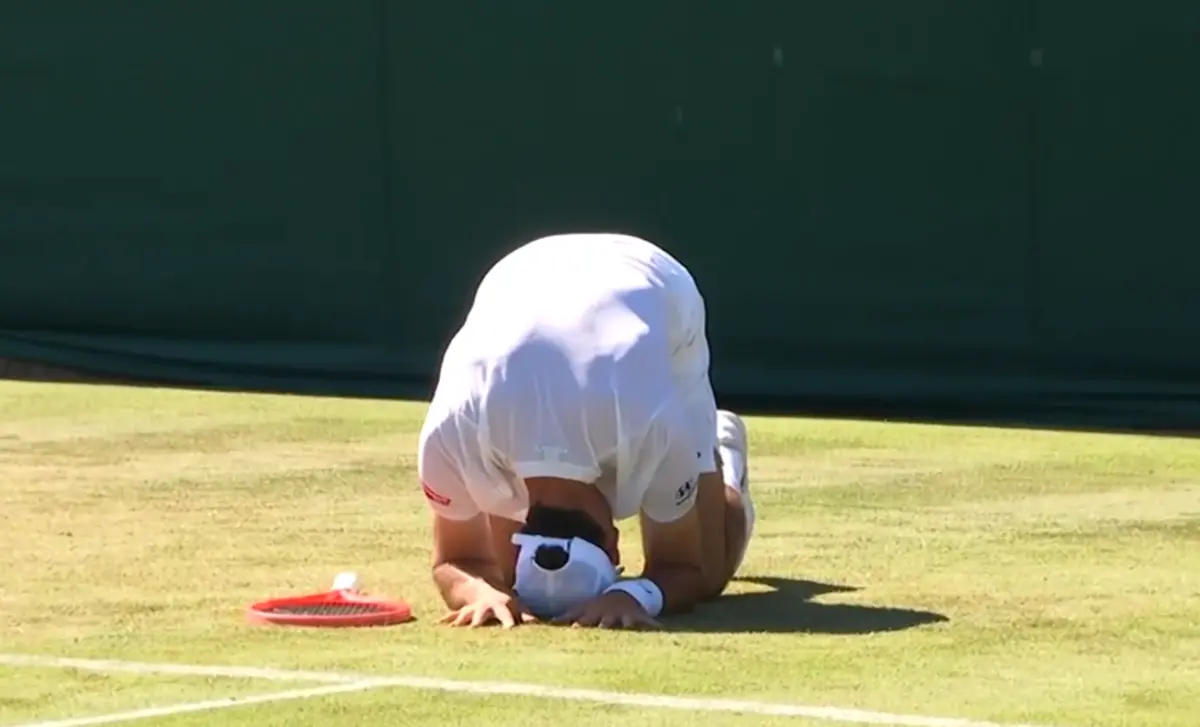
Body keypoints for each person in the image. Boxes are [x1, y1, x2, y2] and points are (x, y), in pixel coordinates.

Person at [417, 233, 756, 629]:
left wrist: (631, 594)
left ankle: (722, 451)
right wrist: (483, 591)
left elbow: (683, 566)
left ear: (613, 547)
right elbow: (455, 562)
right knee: (502, 575)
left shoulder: (652, 424)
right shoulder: (453, 432)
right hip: (526, 271)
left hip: (653, 278)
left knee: (710, 575)